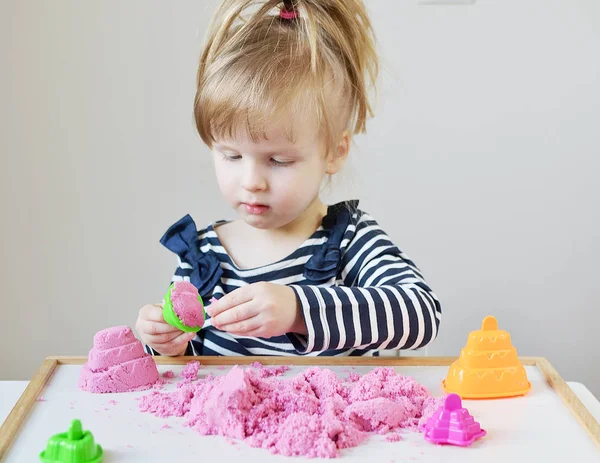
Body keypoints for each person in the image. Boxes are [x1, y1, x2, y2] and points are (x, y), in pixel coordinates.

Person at [135, 0, 442, 357]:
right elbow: (184, 366)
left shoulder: (347, 241)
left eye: (279, 160)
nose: (252, 181)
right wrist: (161, 339)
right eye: (231, 155)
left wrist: (300, 310)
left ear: (334, 152)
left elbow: (421, 313)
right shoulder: (201, 254)